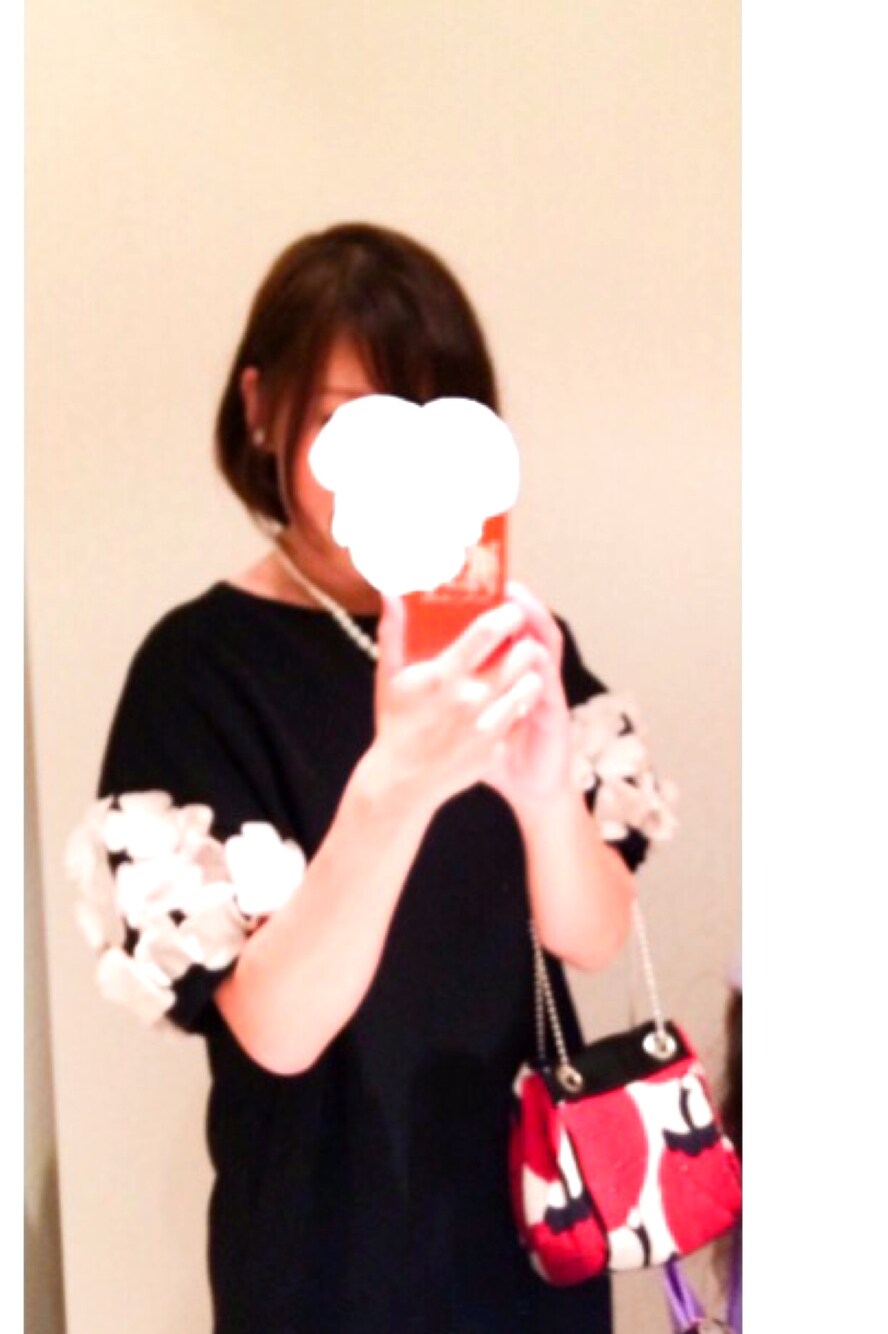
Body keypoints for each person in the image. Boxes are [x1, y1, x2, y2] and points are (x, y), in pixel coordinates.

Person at [71, 222, 674, 1334]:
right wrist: (393, 788)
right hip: (321, 1258)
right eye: (348, 422)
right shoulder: (199, 670)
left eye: (429, 421)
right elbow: (279, 1029)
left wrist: (546, 794)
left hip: (535, 1224)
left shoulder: (507, 643)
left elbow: (592, 937)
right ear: (261, 407)